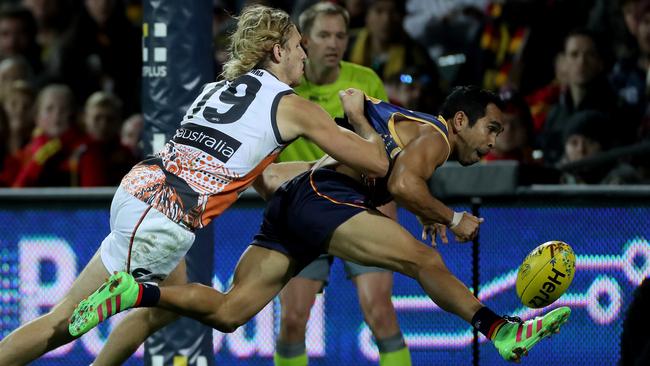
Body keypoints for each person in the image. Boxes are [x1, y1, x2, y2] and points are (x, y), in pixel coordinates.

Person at [0, 5, 389, 365]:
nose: (305, 55)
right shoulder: (295, 107)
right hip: (165, 214)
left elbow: (266, 179)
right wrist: (359, 118)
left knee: (163, 309)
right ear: (276, 52)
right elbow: (376, 161)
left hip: (142, 191)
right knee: (65, 321)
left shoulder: (215, 90)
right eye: (298, 46)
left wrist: (319, 166)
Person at [72, 86, 571, 363]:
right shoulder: (437, 135)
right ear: (460, 120)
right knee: (425, 259)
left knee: (229, 312)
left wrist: (424, 207)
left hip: (300, 199)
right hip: (321, 199)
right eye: (491, 128)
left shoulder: (418, 132)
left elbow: (395, 179)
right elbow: (401, 187)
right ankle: (501, 330)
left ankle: (136, 293)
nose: (493, 141)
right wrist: (451, 216)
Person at [275, 3, 409, 366]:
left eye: (340, 36)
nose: (333, 44)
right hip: (301, 209)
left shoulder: (366, 81)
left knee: (379, 311)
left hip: (361, 204)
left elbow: (386, 151)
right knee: (291, 321)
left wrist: (389, 205)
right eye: (323, 35)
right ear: (303, 40)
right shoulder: (281, 86)